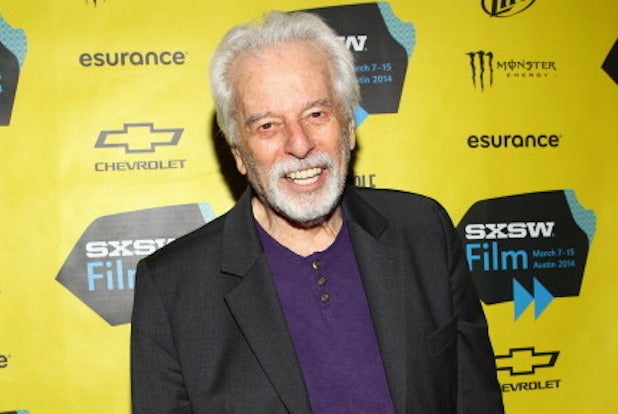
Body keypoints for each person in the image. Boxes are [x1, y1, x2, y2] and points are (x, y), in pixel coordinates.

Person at [130, 10, 504, 414]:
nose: (300, 144)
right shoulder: (173, 289)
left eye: (316, 114)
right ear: (238, 152)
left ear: (349, 126)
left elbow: (476, 400)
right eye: (267, 126)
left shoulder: (424, 233)